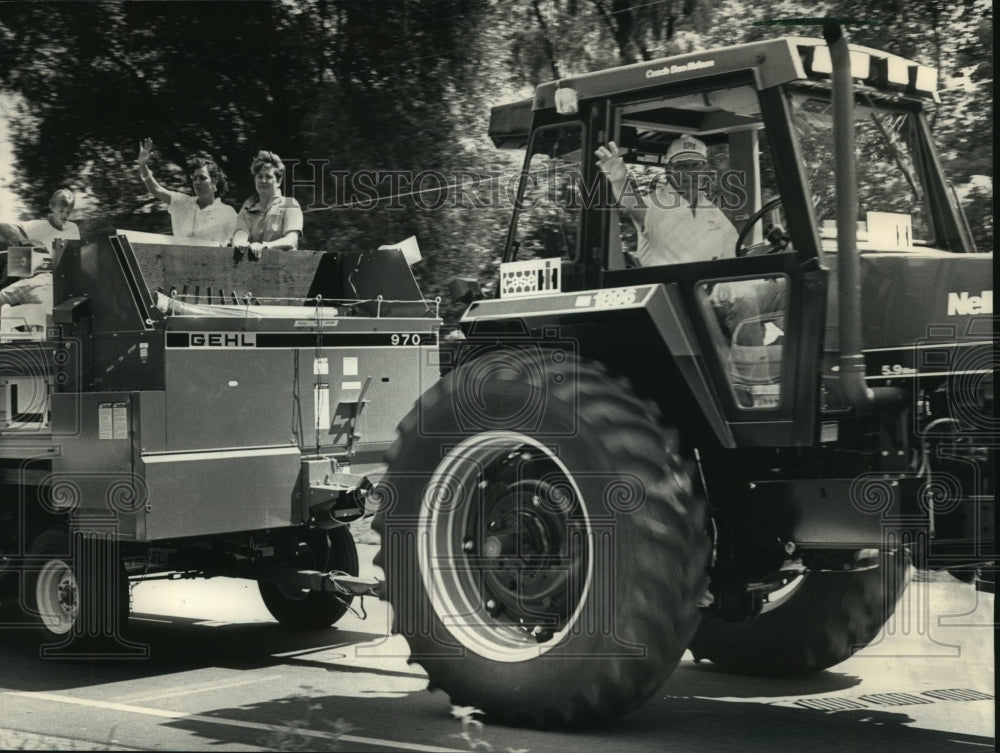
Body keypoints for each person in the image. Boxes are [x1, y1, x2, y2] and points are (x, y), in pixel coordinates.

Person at [594, 136, 737, 266]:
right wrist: (619, 180)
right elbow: (630, 203)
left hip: (707, 290)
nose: (689, 172)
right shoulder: (653, 205)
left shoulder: (712, 211)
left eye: (696, 165)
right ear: (669, 170)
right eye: (681, 166)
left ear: (706, 170)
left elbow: (734, 252)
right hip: (667, 291)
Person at [136, 139, 238, 245]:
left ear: (214, 181)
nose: (197, 182)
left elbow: (237, 242)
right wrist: (143, 167)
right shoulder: (182, 202)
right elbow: (155, 189)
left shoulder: (227, 213)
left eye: (202, 178)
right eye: (194, 178)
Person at [231, 150, 303, 259]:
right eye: (259, 176)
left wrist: (264, 246)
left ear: (279, 181)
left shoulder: (290, 204)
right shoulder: (247, 208)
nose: (263, 181)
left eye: (268, 177)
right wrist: (240, 243)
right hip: (249, 268)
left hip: (283, 268)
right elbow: (240, 233)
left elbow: (291, 240)